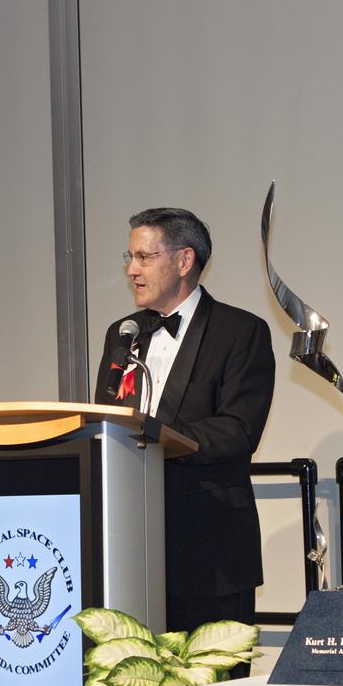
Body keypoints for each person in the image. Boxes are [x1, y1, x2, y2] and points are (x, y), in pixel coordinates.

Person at [93, 207, 275, 639]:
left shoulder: (241, 331)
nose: (131, 270)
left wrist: (155, 434)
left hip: (209, 551)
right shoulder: (122, 333)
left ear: (183, 260)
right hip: (129, 550)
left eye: (143, 257)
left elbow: (238, 430)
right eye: (129, 257)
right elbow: (108, 421)